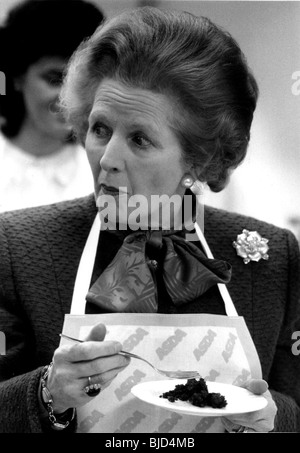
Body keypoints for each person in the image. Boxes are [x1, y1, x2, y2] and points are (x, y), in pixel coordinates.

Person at [0, 6, 299, 433]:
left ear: (199, 158)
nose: (108, 158)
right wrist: (46, 392)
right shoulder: (17, 245)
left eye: (139, 139)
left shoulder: (274, 257)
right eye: (100, 129)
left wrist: (276, 419)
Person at [0, 0, 104, 212]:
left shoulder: (102, 173)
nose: (68, 98)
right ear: (18, 76)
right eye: (54, 79)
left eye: (81, 83)